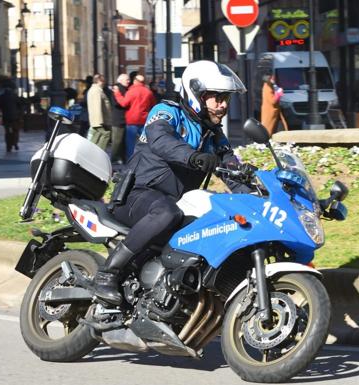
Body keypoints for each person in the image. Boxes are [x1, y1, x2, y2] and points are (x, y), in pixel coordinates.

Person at [93, 60, 253, 305]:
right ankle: (108, 273)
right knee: (166, 212)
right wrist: (194, 157)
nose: (222, 106)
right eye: (217, 98)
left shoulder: (213, 134)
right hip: (137, 195)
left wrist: (256, 194)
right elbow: (161, 139)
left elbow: (231, 167)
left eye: (226, 99)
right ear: (196, 94)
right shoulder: (167, 112)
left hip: (176, 204)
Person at [113, 74, 156, 160]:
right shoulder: (148, 92)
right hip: (144, 120)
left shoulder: (131, 91)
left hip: (132, 121)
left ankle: (130, 161)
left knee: (130, 144)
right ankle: (147, 160)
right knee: (145, 142)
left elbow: (124, 103)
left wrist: (117, 93)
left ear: (135, 81)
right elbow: (153, 105)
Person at [87, 74, 112, 151]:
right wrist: (100, 121)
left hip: (97, 120)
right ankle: (99, 152)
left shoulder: (95, 90)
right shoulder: (96, 91)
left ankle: (90, 151)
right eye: (103, 81)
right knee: (106, 134)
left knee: (95, 136)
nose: (104, 83)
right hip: (99, 120)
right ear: (99, 81)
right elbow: (97, 106)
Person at [109, 73, 130, 163]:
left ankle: (121, 158)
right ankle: (114, 159)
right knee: (117, 141)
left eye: (129, 79)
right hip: (118, 119)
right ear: (120, 80)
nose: (128, 81)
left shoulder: (124, 89)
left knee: (121, 141)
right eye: (127, 80)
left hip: (122, 119)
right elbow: (117, 103)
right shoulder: (117, 89)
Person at [0, 81, 22, 152]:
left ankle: (8, 146)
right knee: (15, 131)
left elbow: (1, 106)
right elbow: (19, 105)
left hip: (6, 118)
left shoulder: (2, 96)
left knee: (7, 132)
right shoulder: (15, 96)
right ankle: (15, 143)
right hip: (15, 117)